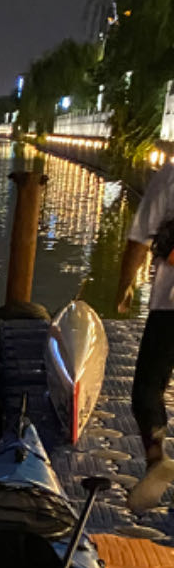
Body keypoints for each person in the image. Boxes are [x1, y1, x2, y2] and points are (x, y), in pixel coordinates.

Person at [118, 157, 174, 510]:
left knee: (147, 389)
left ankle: (157, 459)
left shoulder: (170, 176)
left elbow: (139, 237)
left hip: (171, 307)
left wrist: (124, 284)